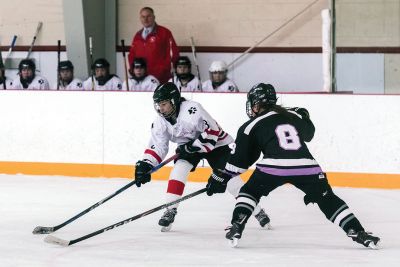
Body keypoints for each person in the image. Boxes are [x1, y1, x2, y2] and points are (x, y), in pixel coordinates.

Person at [206, 83, 381, 249]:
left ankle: (237, 225)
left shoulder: (251, 125)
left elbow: (240, 161)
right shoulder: (291, 116)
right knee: (327, 199)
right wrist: (304, 116)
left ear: (256, 104)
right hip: (307, 167)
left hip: (272, 167)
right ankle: (358, 232)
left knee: (249, 192)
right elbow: (309, 134)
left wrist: (221, 177)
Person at [134, 82, 271, 232]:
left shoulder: (193, 109)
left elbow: (213, 131)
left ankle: (257, 211)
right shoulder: (159, 122)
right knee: (178, 171)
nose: (161, 108)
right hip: (188, 148)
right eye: (158, 105)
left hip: (216, 145)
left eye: (164, 104)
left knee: (231, 180)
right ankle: (170, 210)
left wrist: (193, 146)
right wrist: (146, 164)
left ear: (174, 101)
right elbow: (158, 146)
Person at [128, 7, 179, 84]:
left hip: (160, 79)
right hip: (141, 79)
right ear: (140, 18)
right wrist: (133, 70)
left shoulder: (164, 33)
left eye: (148, 16)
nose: (146, 19)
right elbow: (132, 55)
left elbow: (173, 54)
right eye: (143, 17)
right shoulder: (137, 35)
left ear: (154, 17)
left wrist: (162, 70)